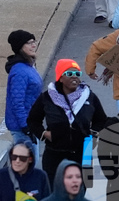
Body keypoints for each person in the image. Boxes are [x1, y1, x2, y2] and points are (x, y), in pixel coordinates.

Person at [28, 59, 107, 184]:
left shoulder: (89, 96)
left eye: (77, 74)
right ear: (60, 78)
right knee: (55, 191)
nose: (74, 77)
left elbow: (101, 120)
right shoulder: (47, 97)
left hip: (82, 154)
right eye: (69, 74)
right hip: (55, 155)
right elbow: (33, 120)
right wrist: (44, 134)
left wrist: (92, 134)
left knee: (80, 191)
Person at [5, 31, 43, 161]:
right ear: (20, 47)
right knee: (26, 169)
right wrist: (26, 127)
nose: (34, 45)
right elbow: (17, 102)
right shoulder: (20, 71)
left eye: (34, 42)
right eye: (29, 43)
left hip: (31, 124)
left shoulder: (28, 66)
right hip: (23, 128)